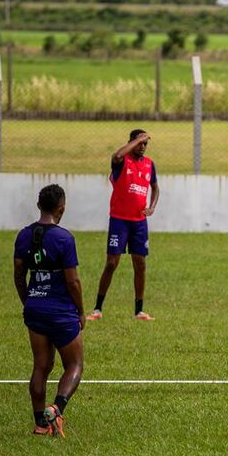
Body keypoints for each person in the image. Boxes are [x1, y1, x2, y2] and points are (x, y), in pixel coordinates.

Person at [13, 184, 85, 438]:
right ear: (61, 208)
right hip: (61, 311)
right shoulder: (64, 238)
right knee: (74, 364)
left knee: (41, 366)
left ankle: (40, 424)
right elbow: (73, 282)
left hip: (34, 308)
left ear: (38, 205)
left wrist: (29, 302)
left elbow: (19, 276)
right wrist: (81, 311)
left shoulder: (23, 236)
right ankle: (56, 408)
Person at [87, 129, 159, 321]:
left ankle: (139, 310)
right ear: (131, 142)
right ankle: (97, 308)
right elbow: (117, 154)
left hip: (139, 223)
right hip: (119, 220)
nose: (143, 147)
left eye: (145, 144)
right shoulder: (122, 161)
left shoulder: (149, 165)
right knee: (111, 263)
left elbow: (155, 187)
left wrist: (151, 207)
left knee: (140, 264)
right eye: (139, 143)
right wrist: (136, 141)